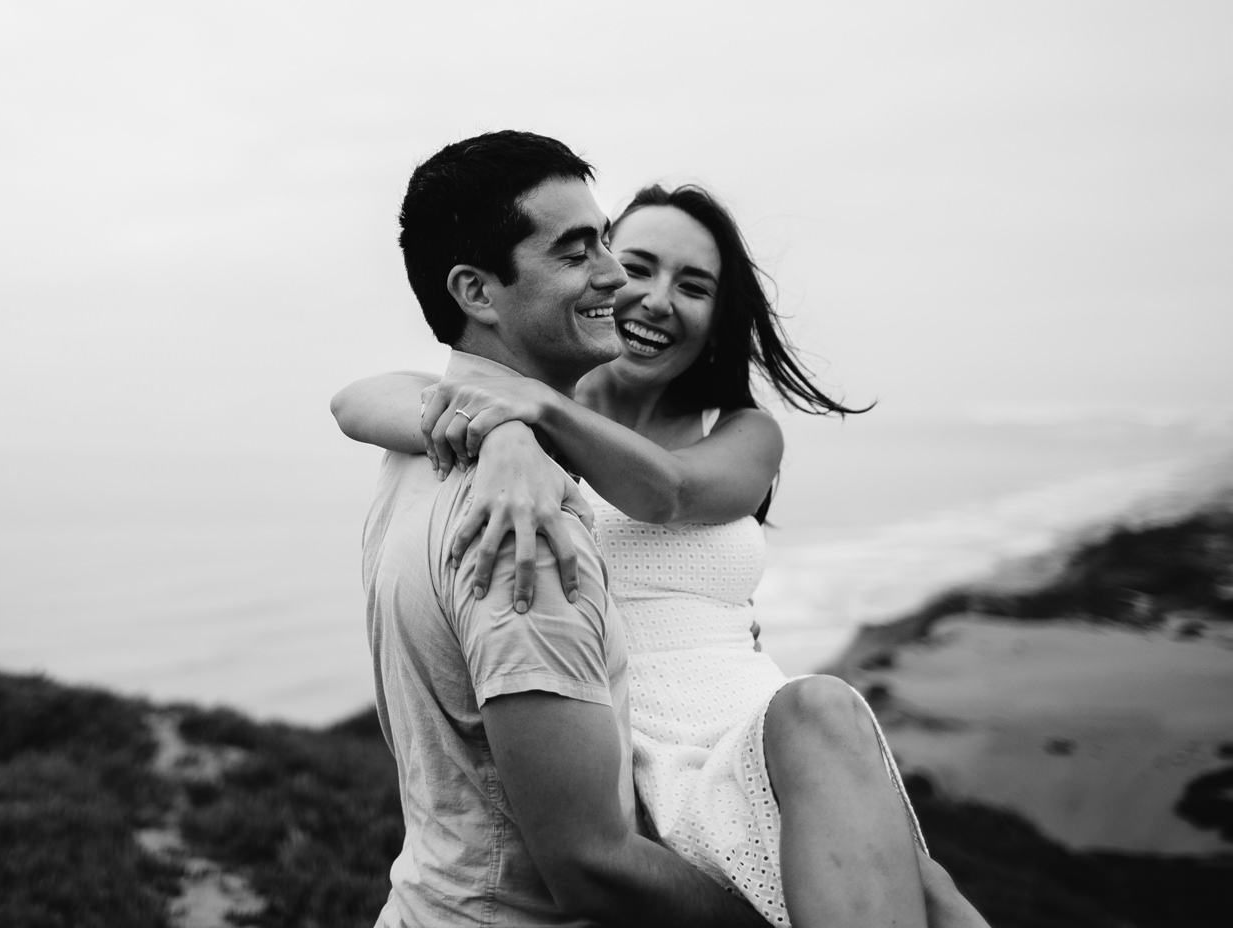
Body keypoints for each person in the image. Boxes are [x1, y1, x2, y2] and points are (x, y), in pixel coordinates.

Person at [335, 169, 990, 928]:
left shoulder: (741, 432)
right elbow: (355, 400)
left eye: (694, 285)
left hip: (754, 725)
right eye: (635, 264)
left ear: (719, 314)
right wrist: (505, 432)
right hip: (627, 737)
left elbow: (670, 494)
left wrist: (533, 416)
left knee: (936, 895)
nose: (653, 297)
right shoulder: (535, 399)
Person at [354, 130, 767, 927]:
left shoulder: (416, 457)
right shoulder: (524, 525)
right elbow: (592, 867)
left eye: (605, 241)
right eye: (578, 252)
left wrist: (515, 426)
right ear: (477, 293)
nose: (615, 276)